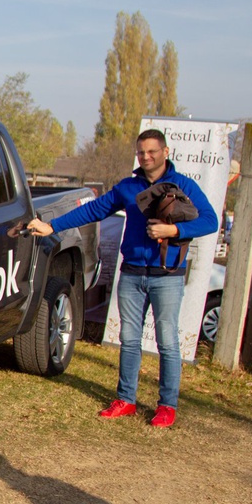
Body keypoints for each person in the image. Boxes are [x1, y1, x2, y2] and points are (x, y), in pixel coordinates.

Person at [27, 129, 217, 428]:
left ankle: (167, 406)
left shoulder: (184, 186)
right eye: (142, 152)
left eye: (153, 151)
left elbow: (210, 220)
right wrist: (53, 226)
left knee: (167, 341)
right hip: (132, 273)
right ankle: (125, 400)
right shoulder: (129, 187)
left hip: (167, 275)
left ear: (166, 152)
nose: (146, 156)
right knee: (129, 339)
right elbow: (94, 209)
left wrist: (174, 232)